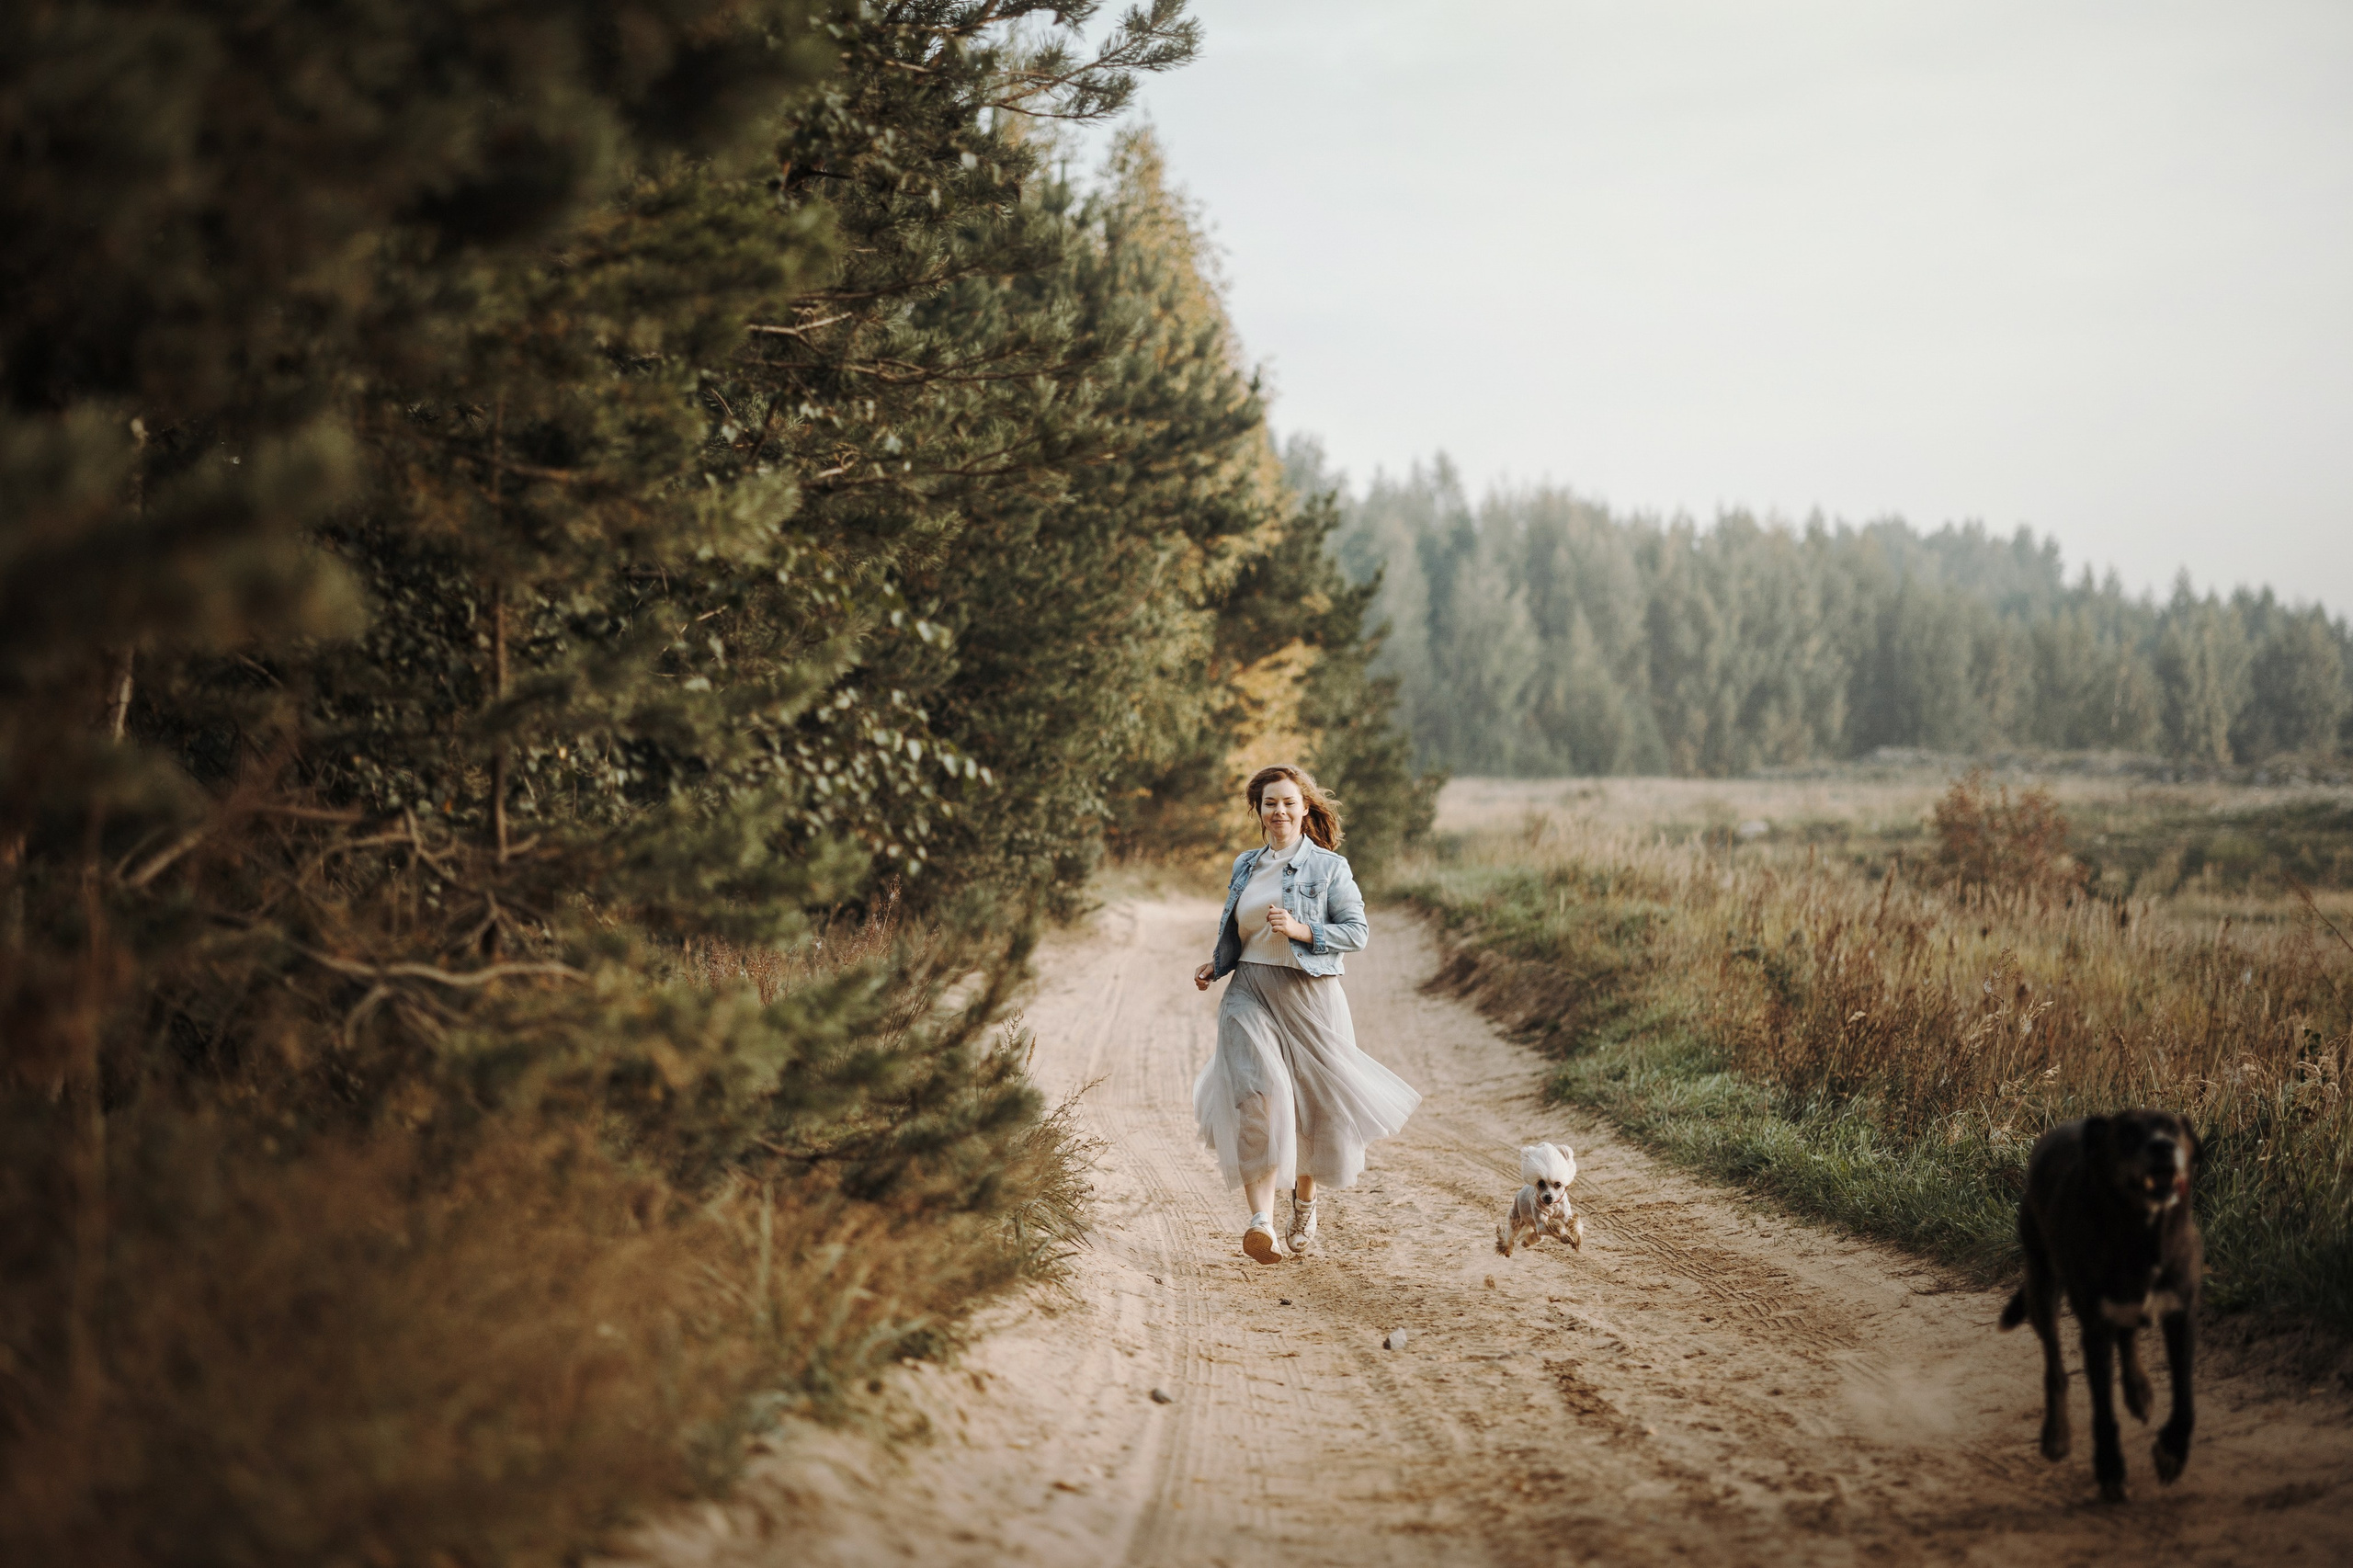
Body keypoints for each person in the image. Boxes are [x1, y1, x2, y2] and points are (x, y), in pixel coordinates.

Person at [1191, 765, 1422, 1263]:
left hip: (1309, 994)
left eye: (1289, 802)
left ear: (1305, 808)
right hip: (1249, 990)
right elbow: (1240, 930)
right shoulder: (1246, 865)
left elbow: (1357, 932)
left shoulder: (1330, 867)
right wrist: (1218, 963)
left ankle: (1305, 1199)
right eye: (1270, 803)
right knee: (1257, 1097)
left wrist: (1302, 930)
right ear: (1259, 810)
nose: (1279, 811)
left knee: (1312, 1107)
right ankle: (1261, 1223)